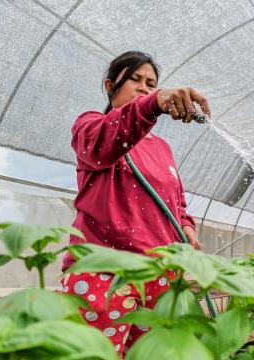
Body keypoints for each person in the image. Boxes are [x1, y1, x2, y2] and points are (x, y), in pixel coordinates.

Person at [61, 51, 211, 356]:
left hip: (160, 274)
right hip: (104, 274)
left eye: (151, 83)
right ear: (109, 86)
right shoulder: (91, 126)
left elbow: (176, 200)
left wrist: (185, 226)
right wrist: (153, 104)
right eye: (135, 79)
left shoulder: (162, 148)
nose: (144, 87)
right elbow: (105, 142)